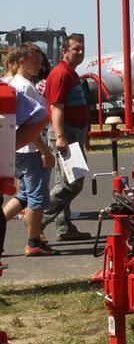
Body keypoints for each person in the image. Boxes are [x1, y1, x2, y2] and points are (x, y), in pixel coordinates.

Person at [4, 44, 55, 256]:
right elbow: (32, 123)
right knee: (37, 196)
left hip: (25, 149)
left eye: (40, 62)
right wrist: (44, 150)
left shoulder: (21, 84)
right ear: (22, 61)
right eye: (34, 62)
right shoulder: (23, 86)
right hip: (30, 150)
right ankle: (33, 242)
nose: (39, 66)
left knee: (24, 195)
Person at [42, 34, 92, 242]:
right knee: (73, 182)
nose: (80, 53)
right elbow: (56, 107)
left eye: (82, 49)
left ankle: (64, 227)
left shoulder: (71, 73)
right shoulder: (61, 74)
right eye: (75, 49)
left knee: (65, 180)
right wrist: (61, 137)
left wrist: (85, 133)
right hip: (67, 133)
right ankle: (38, 220)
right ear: (65, 51)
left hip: (74, 132)